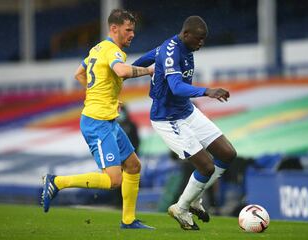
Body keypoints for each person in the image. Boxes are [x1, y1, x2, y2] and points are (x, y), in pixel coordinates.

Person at [41, 9, 155, 230]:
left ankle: (129, 220)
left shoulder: (97, 48)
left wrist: (105, 97)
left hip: (107, 119)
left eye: (133, 30)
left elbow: (79, 73)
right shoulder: (114, 51)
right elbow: (121, 71)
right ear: (114, 29)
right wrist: (148, 70)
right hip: (97, 122)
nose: (132, 34)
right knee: (114, 180)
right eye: (128, 30)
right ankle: (56, 182)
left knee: (133, 166)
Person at [132, 16, 237, 230]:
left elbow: (144, 60)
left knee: (227, 154)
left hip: (187, 111)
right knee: (206, 166)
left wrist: (131, 71)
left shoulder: (180, 47)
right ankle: (181, 208)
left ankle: (194, 199)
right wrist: (207, 91)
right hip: (167, 119)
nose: (201, 43)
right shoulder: (171, 51)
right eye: (199, 39)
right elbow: (176, 87)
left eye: (204, 39)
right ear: (186, 34)